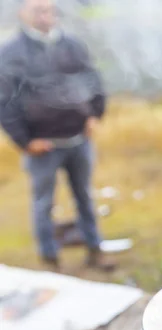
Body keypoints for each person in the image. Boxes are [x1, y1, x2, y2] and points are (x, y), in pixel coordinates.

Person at [0, 0, 115, 270]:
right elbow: (5, 101)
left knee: (85, 196)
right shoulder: (11, 52)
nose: (45, 15)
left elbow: (93, 79)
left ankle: (95, 250)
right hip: (43, 146)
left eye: (49, 9)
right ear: (23, 13)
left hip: (79, 140)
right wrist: (25, 141)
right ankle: (50, 258)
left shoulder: (72, 45)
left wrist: (94, 115)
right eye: (37, 10)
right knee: (43, 204)